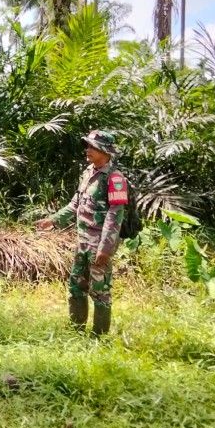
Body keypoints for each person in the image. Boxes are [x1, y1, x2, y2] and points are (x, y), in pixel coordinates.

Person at [36, 130, 128, 337]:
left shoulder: (114, 178)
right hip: (82, 242)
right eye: (87, 146)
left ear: (105, 151)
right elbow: (75, 203)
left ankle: (99, 337)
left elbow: (115, 215)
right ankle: (76, 331)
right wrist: (53, 219)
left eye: (92, 147)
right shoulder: (88, 173)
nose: (88, 150)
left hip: (99, 244)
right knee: (76, 286)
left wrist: (105, 248)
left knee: (100, 291)